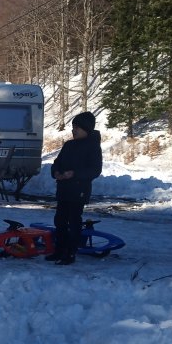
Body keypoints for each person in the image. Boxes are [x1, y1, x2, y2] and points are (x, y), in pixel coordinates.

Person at [47, 111, 103, 265]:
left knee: (74, 221)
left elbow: (95, 170)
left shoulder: (93, 146)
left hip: (79, 191)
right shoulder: (69, 145)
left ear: (86, 129)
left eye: (77, 127)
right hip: (64, 189)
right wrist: (56, 172)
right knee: (60, 221)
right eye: (73, 127)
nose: (74, 130)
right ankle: (59, 250)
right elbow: (57, 163)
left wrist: (74, 174)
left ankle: (70, 252)